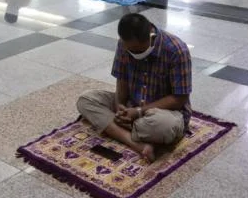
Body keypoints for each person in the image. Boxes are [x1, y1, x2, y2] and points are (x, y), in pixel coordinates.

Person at [76, 13, 192, 162]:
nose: (132, 53)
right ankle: (136, 142)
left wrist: (138, 112)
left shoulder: (176, 50)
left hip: (164, 113)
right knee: (86, 100)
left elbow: (180, 98)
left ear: (150, 37)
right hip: (132, 105)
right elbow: (122, 78)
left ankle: (115, 128)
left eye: (137, 50)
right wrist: (120, 106)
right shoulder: (124, 44)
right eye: (129, 49)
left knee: (165, 127)